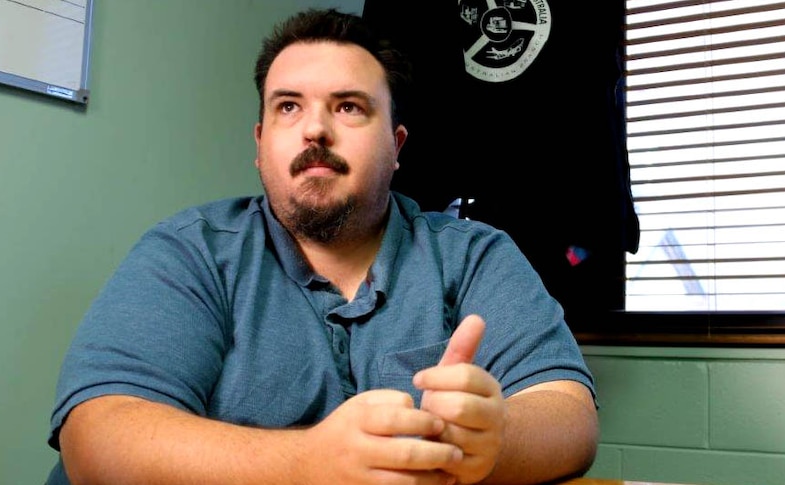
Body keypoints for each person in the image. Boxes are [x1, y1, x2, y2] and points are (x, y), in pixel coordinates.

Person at [45, 8, 598, 485]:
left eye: (348, 107)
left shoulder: (474, 255)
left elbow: (569, 417)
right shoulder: (190, 254)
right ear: (260, 144)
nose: (315, 130)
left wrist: (492, 441)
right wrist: (309, 463)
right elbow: (98, 434)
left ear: (396, 145)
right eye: (288, 106)